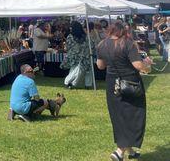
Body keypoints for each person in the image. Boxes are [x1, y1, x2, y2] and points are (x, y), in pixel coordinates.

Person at [96, 22, 152, 161]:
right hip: (130, 84)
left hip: (112, 85)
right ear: (123, 31)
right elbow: (138, 65)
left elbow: (100, 65)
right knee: (135, 116)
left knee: (119, 117)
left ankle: (130, 150)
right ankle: (120, 151)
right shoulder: (127, 43)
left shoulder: (102, 44)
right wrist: (148, 64)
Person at [61, 21, 94, 89]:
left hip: (74, 56)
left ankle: (68, 82)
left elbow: (67, 47)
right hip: (86, 56)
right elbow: (92, 45)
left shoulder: (70, 36)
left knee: (73, 70)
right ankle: (88, 84)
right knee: (88, 71)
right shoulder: (86, 36)